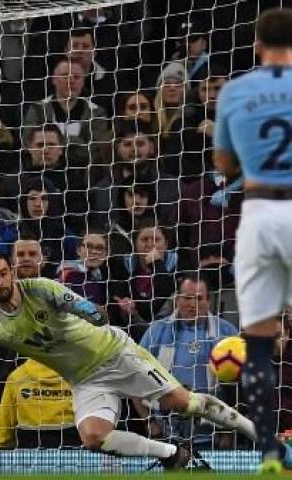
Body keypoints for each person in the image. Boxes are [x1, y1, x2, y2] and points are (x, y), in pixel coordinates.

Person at [0, 251, 256, 469]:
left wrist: (92, 312)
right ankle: (173, 455)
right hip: (85, 379)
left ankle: (258, 433)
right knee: (93, 436)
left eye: (2, 274)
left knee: (183, 403)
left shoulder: (41, 288)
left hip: (116, 354)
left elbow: (87, 309)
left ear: (11, 273)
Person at [212, 8, 292, 473]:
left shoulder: (236, 92)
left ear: (258, 45)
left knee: (258, 342)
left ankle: (268, 453)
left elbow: (224, 166)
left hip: (260, 211)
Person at [138, 275, 238, 447]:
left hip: (214, 437)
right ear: (177, 300)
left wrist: (229, 431)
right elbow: (135, 379)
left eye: (199, 299)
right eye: (187, 298)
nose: (193, 305)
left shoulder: (227, 332)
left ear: (208, 301)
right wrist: (151, 425)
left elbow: (240, 387)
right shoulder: (156, 331)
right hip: (165, 436)